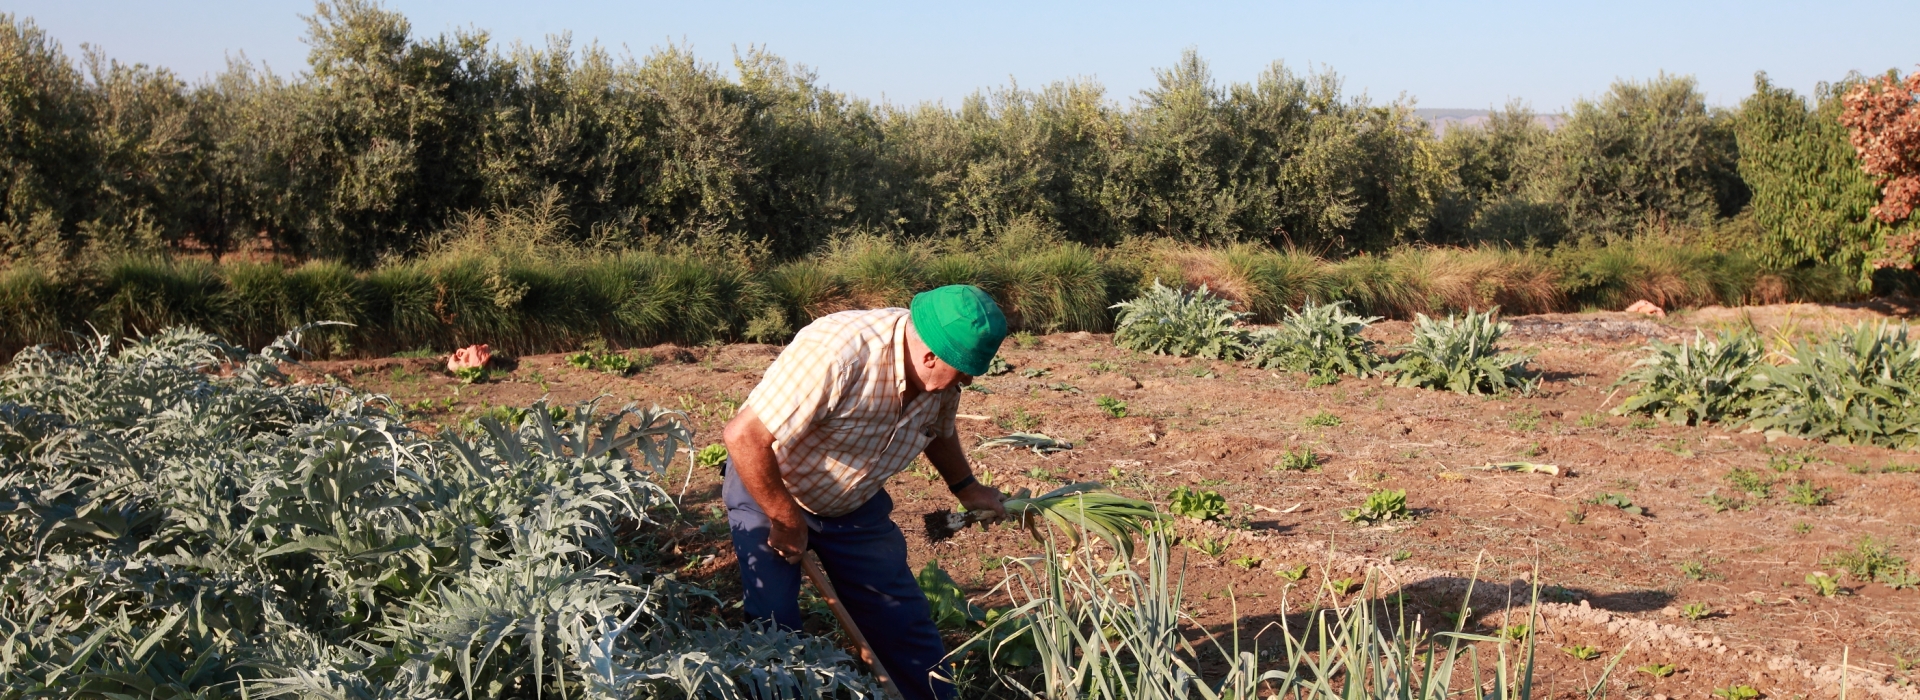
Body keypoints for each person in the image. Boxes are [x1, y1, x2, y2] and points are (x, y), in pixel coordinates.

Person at [720, 284, 1010, 700]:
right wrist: (784, 518)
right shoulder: (839, 353)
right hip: (770, 486)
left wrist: (967, 488)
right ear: (929, 356)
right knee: (775, 626)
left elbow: (938, 431)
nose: (963, 381)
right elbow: (744, 437)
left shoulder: (938, 381)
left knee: (902, 620)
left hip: (853, 500)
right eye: (962, 371)